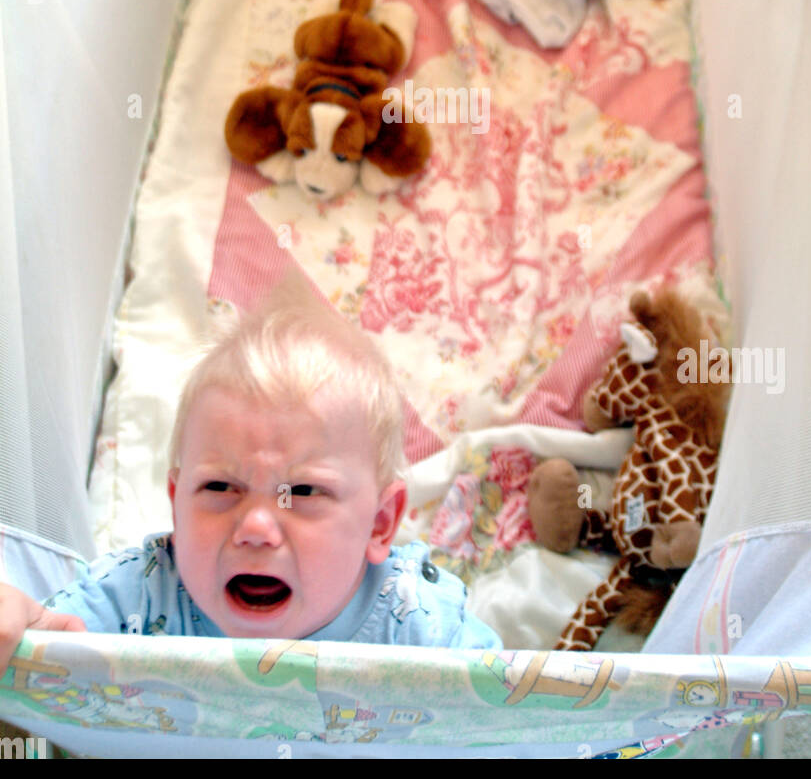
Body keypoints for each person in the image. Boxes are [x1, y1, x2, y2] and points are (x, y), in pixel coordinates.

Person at [0, 272, 502, 674]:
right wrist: (22, 616)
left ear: (379, 523)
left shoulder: (420, 627)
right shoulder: (138, 599)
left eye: (302, 491)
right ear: (176, 503)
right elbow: (44, 637)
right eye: (220, 487)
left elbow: (517, 715)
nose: (256, 527)